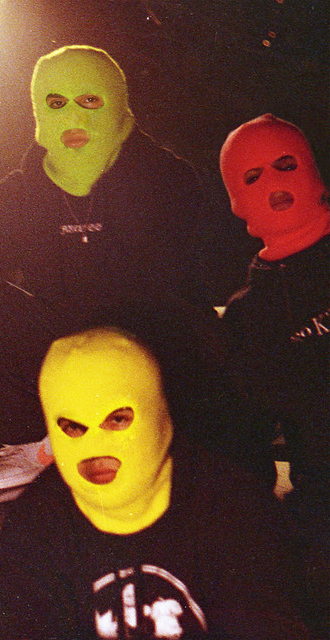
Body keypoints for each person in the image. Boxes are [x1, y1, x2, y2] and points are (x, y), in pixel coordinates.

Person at [0, 45, 217, 492]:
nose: (72, 117)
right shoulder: (21, 193)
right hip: (69, 354)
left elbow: (157, 288)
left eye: (89, 100)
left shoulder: (167, 179)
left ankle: (128, 435)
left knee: (161, 315)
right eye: (55, 103)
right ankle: (31, 447)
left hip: (153, 359)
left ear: (116, 102)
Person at [0, 318, 313, 640]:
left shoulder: (233, 506)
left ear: (156, 412)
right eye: (73, 427)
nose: (95, 448)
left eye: (117, 419)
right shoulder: (37, 524)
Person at [220, 114, 330, 637]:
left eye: (286, 164)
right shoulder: (250, 313)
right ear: (237, 202)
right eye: (253, 176)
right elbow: (246, 435)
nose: (274, 183)